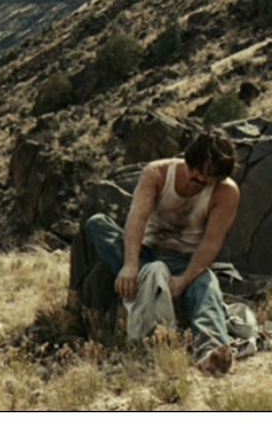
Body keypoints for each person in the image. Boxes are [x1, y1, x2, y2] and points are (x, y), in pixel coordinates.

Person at [78, 129, 240, 374]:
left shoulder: (226, 192)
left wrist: (184, 281)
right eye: (198, 178)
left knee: (206, 286)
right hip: (147, 253)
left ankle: (212, 352)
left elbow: (211, 244)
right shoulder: (157, 173)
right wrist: (130, 265)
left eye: (211, 180)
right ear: (187, 160)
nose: (203, 185)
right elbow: (137, 219)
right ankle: (146, 280)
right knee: (97, 224)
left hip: (185, 261)